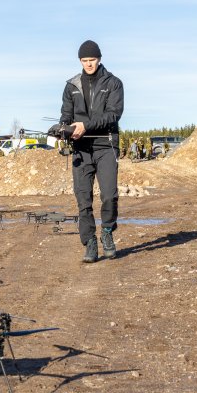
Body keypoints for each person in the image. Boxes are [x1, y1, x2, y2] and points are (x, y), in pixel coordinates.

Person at [60, 40, 124, 263]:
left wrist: (86, 125)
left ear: (99, 59)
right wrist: (65, 130)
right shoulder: (71, 86)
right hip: (80, 149)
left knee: (109, 195)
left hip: (106, 145)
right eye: (85, 60)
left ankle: (107, 232)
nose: (89, 64)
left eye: (92, 60)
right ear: (80, 61)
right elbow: (66, 116)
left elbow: (113, 114)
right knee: (83, 199)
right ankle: (89, 243)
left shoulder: (113, 83)